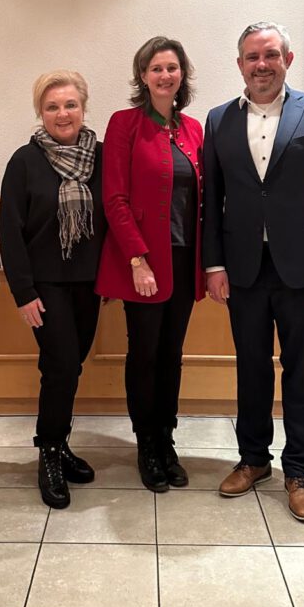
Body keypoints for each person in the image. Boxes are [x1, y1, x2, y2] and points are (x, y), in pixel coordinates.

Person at [202, 21, 304, 522]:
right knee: (251, 368)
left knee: (301, 371)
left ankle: (299, 469)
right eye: (252, 57)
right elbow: (212, 200)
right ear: (239, 64)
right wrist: (214, 264)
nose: (261, 65)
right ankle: (253, 459)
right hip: (243, 268)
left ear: (287, 59)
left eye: (270, 55)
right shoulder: (219, 119)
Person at [96, 36, 204, 492]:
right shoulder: (124, 124)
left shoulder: (194, 129)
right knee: (144, 354)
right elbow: (115, 198)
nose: (165, 75)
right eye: (156, 68)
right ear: (143, 76)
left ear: (182, 75)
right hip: (143, 261)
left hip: (185, 260)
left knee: (172, 354)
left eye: (172, 68)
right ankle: (145, 443)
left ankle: (166, 439)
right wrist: (137, 259)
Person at [0, 71, 105, 509]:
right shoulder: (25, 161)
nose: (63, 114)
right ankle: (48, 453)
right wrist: (23, 293)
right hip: (45, 286)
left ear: (83, 107)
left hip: (90, 284)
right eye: (52, 106)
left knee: (70, 365)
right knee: (60, 366)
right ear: (40, 113)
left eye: (70, 105)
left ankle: (59, 445)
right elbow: (9, 231)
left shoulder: (101, 156)